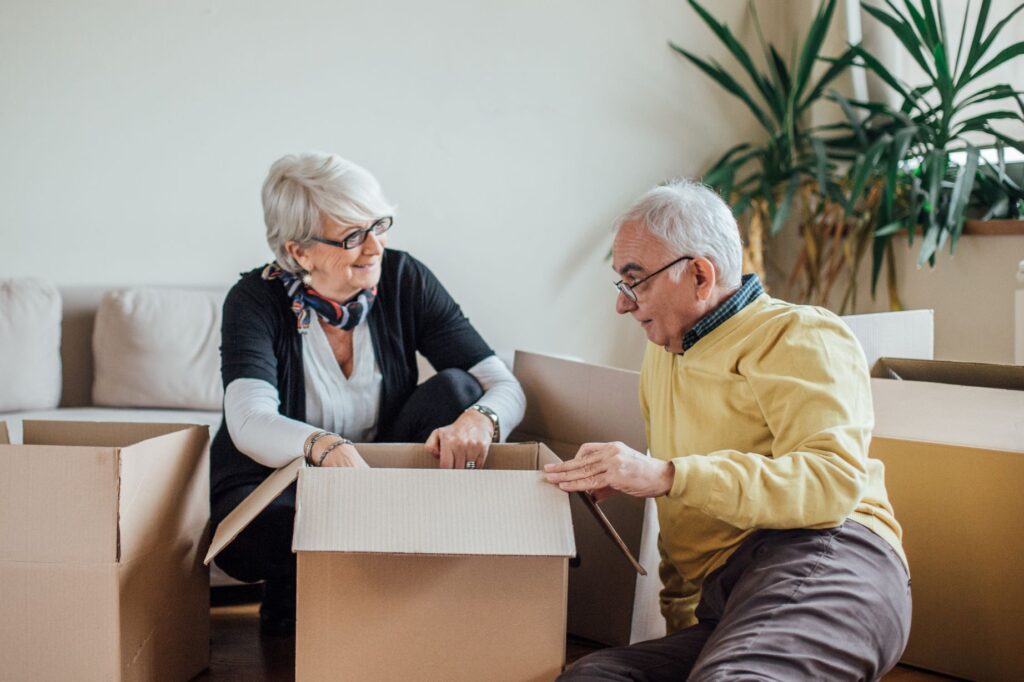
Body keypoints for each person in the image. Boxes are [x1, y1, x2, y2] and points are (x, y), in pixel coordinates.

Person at [546, 180, 911, 680]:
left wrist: (670, 474)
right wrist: (680, 625)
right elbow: (683, 532)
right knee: (591, 677)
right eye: (621, 284)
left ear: (699, 274)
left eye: (636, 281)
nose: (623, 304)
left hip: (830, 554)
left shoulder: (798, 334)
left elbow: (833, 484)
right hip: (730, 597)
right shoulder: (664, 355)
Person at [210, 151, 525, 635]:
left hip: (379, 478)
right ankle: (298, 597)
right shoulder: (254, 300)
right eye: (353, 236)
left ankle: (393, 596)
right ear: (299, 252)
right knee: (267, 527)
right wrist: (325, 447)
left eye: (380, 225)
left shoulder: (403, 278)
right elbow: (249, 420)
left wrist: (482, 418)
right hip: (280, 482)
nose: (375, 247)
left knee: (461, 389)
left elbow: (500, 383)